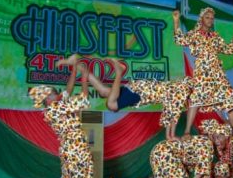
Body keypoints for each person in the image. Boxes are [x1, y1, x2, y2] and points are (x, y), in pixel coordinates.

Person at [57, 54, 191, 141]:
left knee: (103, 91)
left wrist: (171, 135)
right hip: (140, 92)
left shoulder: (176, 91)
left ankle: (76, 63)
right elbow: (171, 114)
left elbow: (172, 113)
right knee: (111, 105)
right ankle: (118, 73)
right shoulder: (178, 93)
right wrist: (170, 136)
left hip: (137, 89)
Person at [29, 63, 93, 178]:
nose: (57, 93)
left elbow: (69, 89)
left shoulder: (52, 108)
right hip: (76, 149)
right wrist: (85, 76)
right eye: (53, 92)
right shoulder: (57, 108)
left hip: (68, 149)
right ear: (48, 99)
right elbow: (84, 98)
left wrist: (74, 71)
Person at [173, 7, 233, 137]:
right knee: (195, 100)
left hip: (217, 73)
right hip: (203, 73)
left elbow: (227, 49)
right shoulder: (195, 34)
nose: (210, 20)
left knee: (228, 98)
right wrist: (176, 21)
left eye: (211, 18)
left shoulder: (215, 36)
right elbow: (179, 40)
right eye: (207, 17)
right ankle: (187, 131)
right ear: (201, 19)